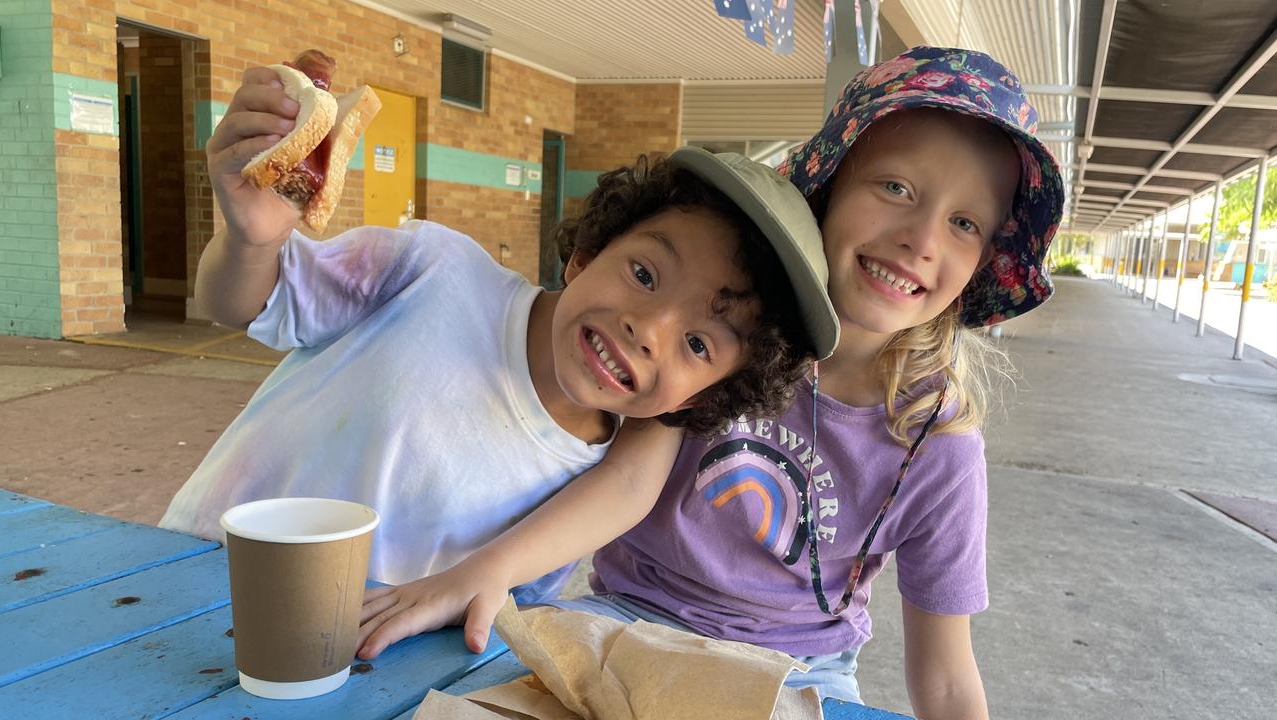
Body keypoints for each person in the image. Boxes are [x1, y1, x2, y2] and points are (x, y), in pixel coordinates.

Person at [354, 46, 1063, 720]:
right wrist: (483, 572)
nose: (923, 238)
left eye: (965, 222)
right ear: (828, 183)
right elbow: (630, 484)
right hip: (629, 619)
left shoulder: (936, 439)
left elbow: (943, 672)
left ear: (982, 263)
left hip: (796, 667)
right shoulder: (723, 335)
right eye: (896, 187)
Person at [158, 65, 842, 603]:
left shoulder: (590, 491)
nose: (650, 328)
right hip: (176, 577)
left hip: (351, 669)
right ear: (585, 253)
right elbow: (241, 305)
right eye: (643, 272)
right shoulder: (432, 268)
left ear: (697, 401)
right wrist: (250, 242)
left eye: (699, 345)